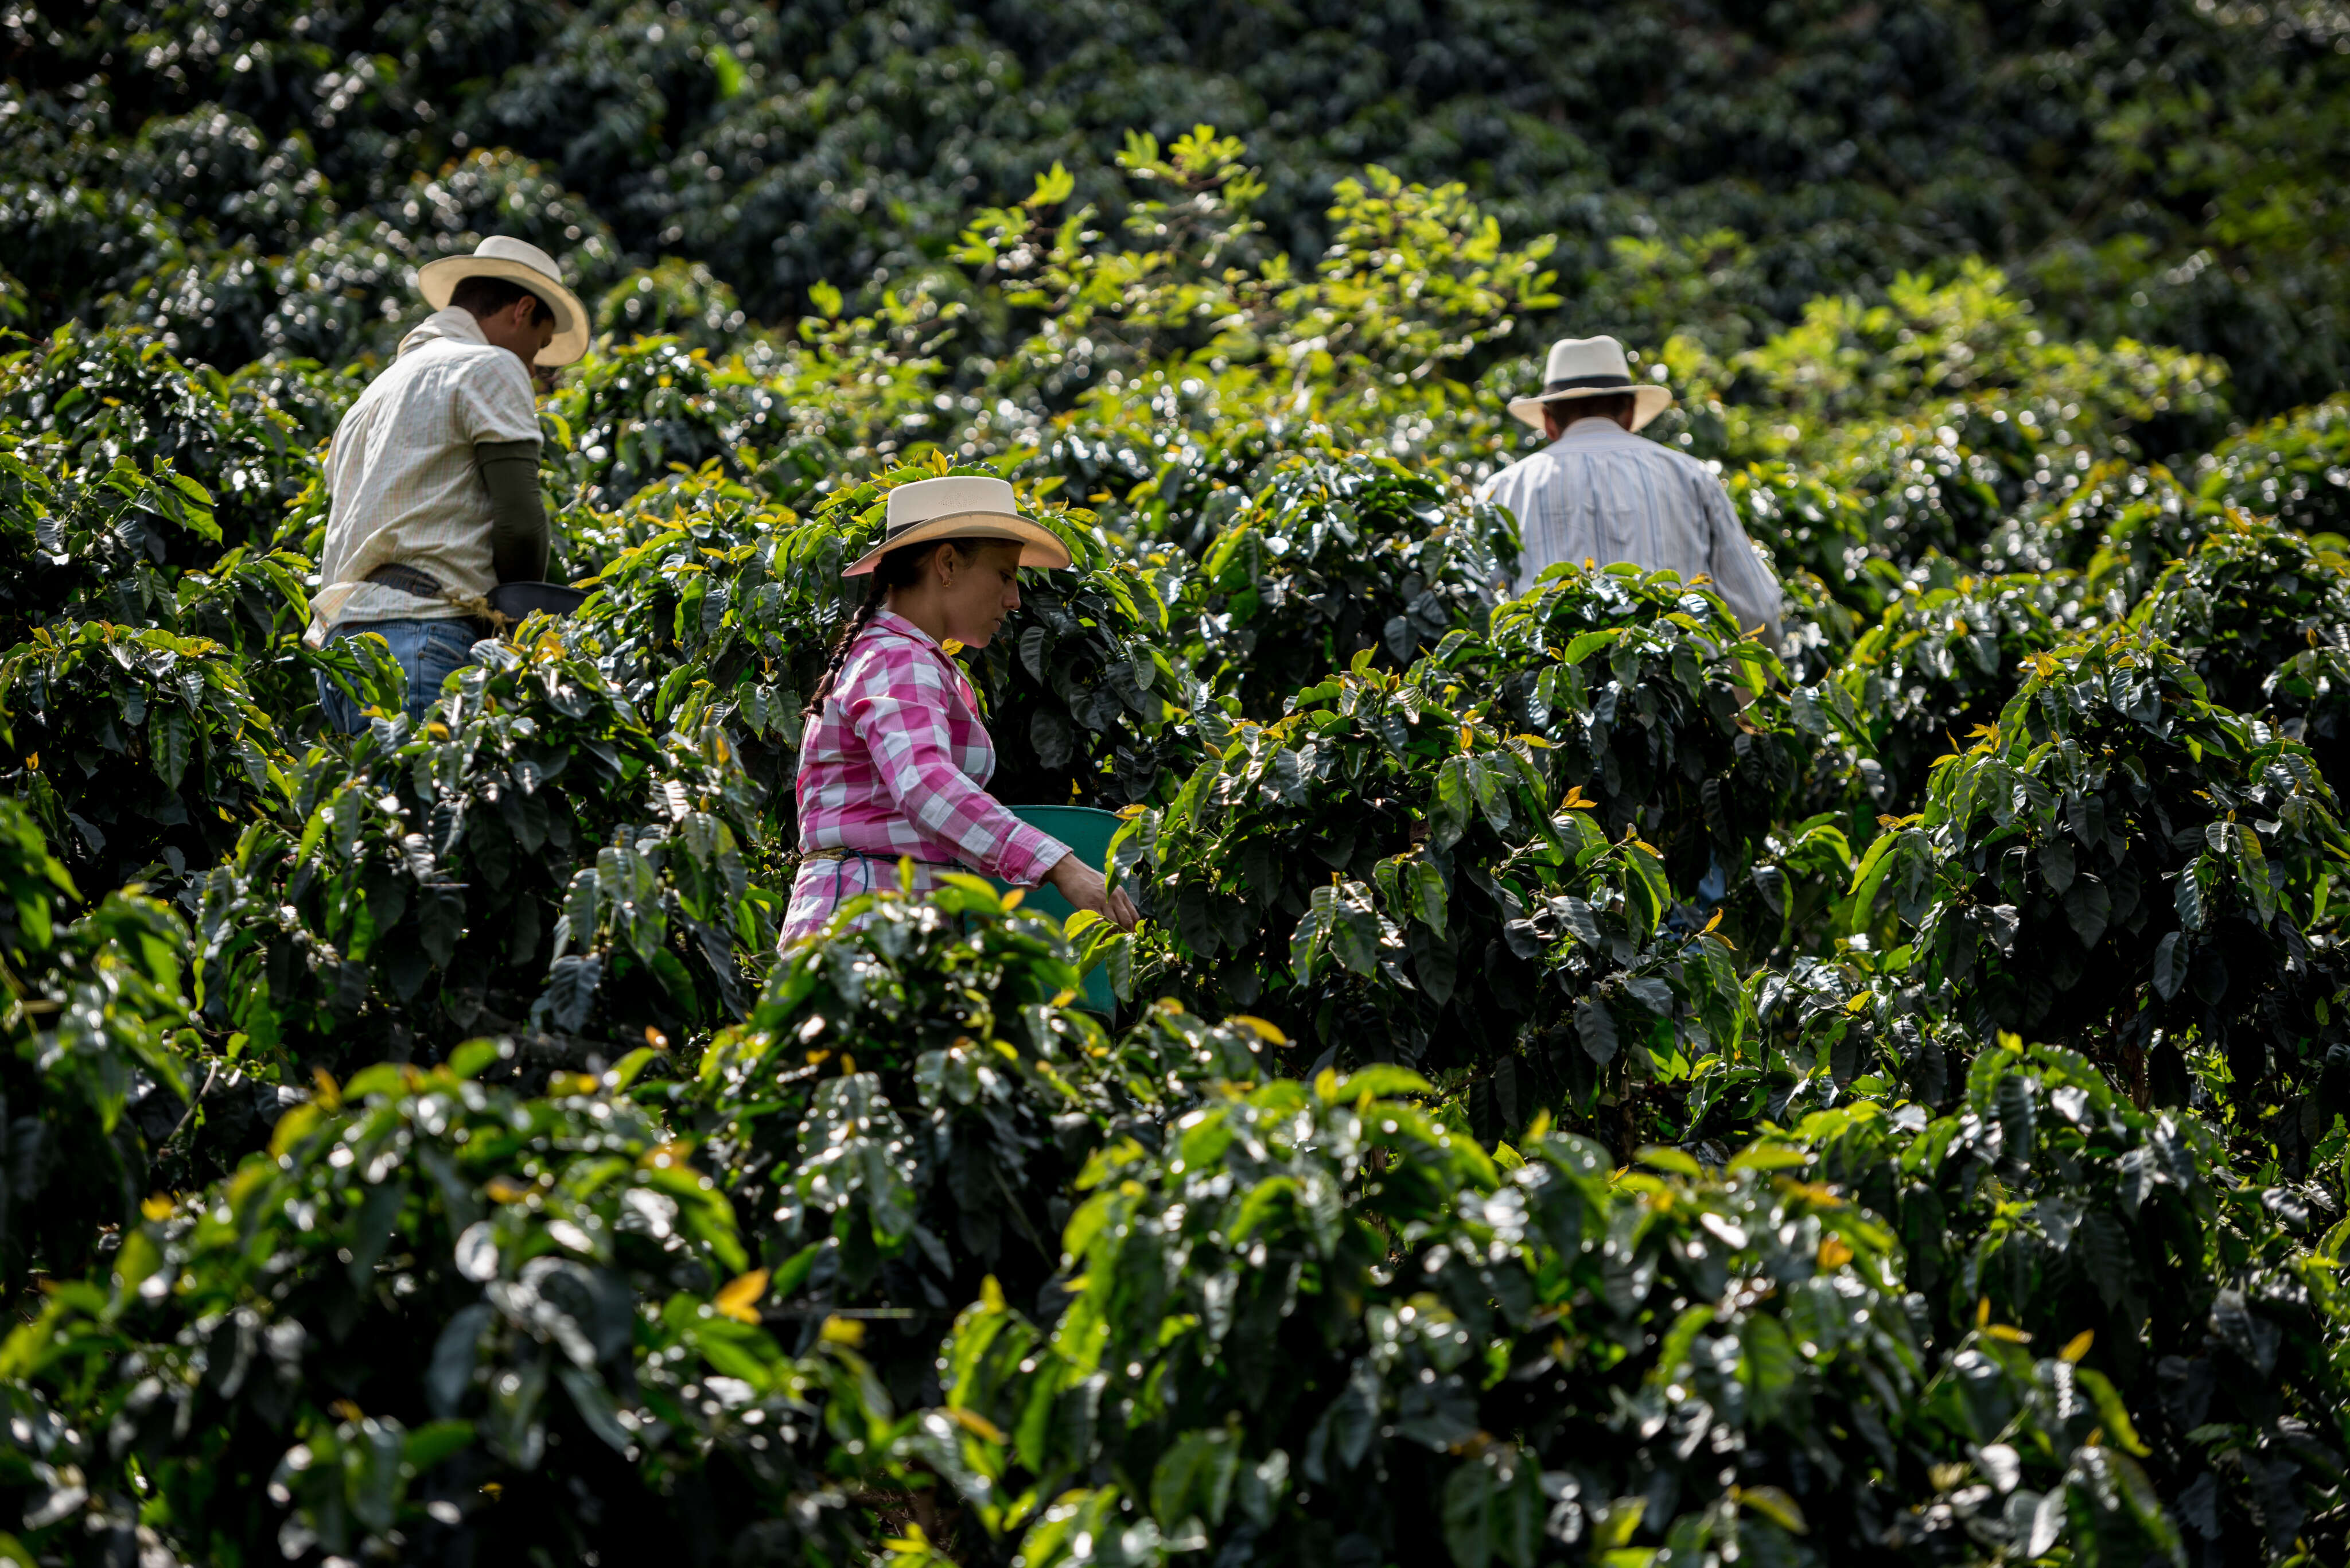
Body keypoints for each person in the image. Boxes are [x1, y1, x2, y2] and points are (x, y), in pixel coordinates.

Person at [782, 474, 1143, 942]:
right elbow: (926, 785)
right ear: (948, 563)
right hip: (866, 933)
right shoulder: (898, 657)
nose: (1015, 599)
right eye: (1005, 574)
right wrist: (1058, 864)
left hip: (883, 928)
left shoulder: (904, 656)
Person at [305, 236, 590, 731]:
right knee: (434, 806)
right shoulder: (491, 366)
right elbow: (521, 525)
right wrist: (525, 631)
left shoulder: (371, 397)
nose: (533, 369)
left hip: (343, 649)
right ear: (522, 310)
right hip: (423, 638)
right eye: (539, 349)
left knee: (378, 806)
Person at [1478, 334, 1781, 646]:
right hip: (1680, 686)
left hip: (1550, 687)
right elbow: (1757, 607)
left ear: (1548, 421)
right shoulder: (1691, 475)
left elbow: (1479, 607)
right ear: (1631, 412)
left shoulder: (1504, 489)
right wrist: (1741, 690)